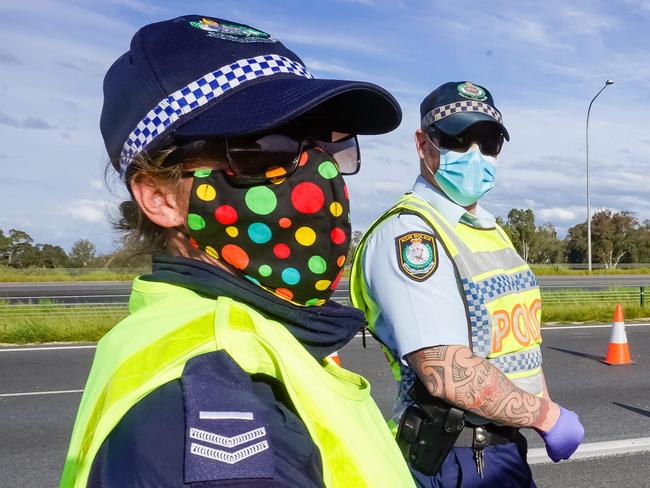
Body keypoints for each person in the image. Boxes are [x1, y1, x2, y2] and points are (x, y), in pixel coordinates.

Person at [60, 15, 416, 488]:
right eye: (265, 149)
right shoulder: (209, 398)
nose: (317, 179)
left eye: (326, 146)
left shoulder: (249, 333)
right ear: (160, 197)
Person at [350, 81, 584, 487]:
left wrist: (542, 405)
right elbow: (445, 371)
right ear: (423, 144)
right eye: (458, 138)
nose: (475, 154)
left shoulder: (490, 230)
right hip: (454, 454)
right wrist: (549, 417)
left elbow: (519, 340)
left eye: (488, 141)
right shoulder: (411, 235)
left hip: (500, 445)